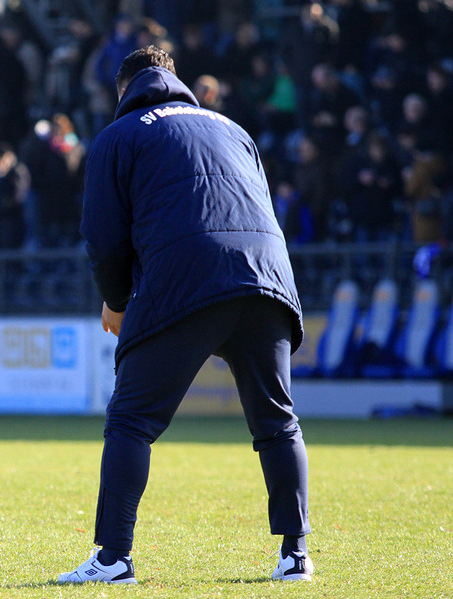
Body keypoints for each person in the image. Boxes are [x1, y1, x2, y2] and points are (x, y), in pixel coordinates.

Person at [57, 45, 311, 585]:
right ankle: (295, 556)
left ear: (123, 90)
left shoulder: (119, 136)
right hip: (268, 276)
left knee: (130, 420)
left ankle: (113, 559)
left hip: (186, 278)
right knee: (277, 421)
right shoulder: (230, 126)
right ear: (177, 82)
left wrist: (118, 300)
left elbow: (103, 238)